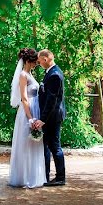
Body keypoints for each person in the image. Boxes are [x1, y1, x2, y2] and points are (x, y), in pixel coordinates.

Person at [7, 48, 46, 188]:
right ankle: (23, 177)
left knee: (33, 144)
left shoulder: (30, 74)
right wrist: (30, 118)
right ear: (29, 60)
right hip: (27, 112)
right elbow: (24, 97)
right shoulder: (23, 75)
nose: (37, 62)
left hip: (35, 110)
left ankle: (33, 176)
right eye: (35, 60)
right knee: (25, 144)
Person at [32, 49, 66, 186]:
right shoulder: (51, 73)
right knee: (46, 146)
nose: (39, 64)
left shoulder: (55, 75)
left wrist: (43, 119)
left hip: (52, 117)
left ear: (45, 59)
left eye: (40, 61)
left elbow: (52, 100)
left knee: (55, 147)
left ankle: (60, 178)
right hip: (50, 117)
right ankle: (45, 176)